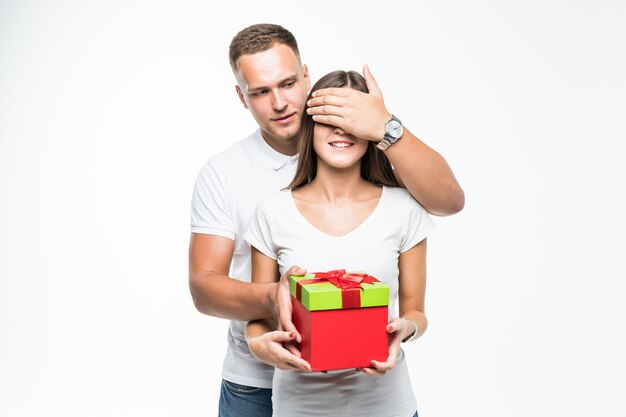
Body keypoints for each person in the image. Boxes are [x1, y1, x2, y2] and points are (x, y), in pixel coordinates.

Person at [189, 24, 463, 417]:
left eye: (287, 83)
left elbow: (450, 200)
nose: (280, 102)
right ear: (241, 97)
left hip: (374, 395)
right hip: (258, 381)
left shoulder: (375, 157)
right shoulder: (232, 179)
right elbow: (204, 287)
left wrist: (384, 126)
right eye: (261, 92)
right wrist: (268, 312)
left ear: (306, 77)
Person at [244, 70, 432, 417]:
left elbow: (416, 313)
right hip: (299, 408)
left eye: (354, 120)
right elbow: (259, 315)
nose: (342, 131)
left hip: (388, 406)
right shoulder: (272, 211)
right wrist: (259, 346)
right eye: (330, 119)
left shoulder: (404, 208)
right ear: (310, 126)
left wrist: (403, 330)